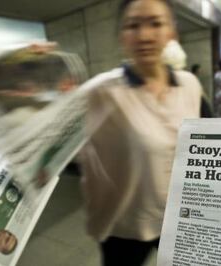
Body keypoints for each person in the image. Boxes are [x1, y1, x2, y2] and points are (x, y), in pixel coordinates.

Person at [79, 0, 201, 265]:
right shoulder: (100, 92)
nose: (144, 36)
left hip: (181, 217)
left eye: (156, 24)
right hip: (124, 227)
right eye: (133, 26)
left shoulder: (189, 84)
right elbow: (46, 128)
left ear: (172, 32)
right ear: (121, 36)